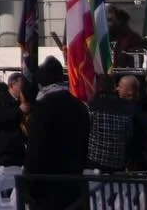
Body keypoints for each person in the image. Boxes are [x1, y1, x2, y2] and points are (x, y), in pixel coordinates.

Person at [24, 58, 90, 210]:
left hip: (47, 185)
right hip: (73, 183)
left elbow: (36, 149)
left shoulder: (43, 107)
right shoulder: (80, 106)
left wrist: (29, 185)